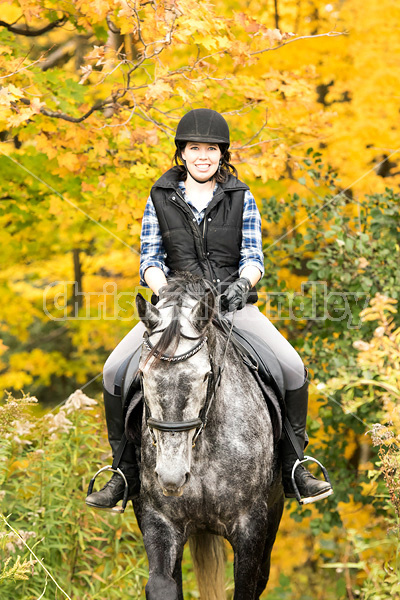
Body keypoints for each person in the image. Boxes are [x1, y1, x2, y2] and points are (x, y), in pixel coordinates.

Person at [86, 108, 333, 510]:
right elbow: (149, 258)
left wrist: (242, 284)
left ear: (222, 154)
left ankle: (294, 467)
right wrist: (168, 295)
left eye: (211, 149)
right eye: (195, 148)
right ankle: (124, 472)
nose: (203, 155)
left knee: (291, 365)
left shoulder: (241, 195)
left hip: (231, 305)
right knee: (115, 370)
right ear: (182, 153)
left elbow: (254, 256)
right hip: (173, 307)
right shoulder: (160, 195)